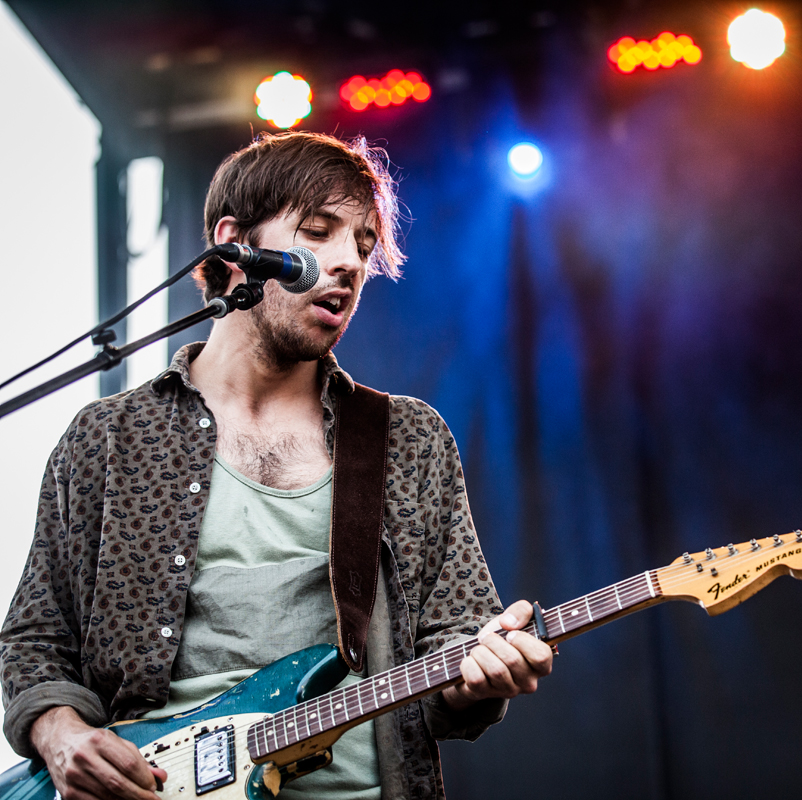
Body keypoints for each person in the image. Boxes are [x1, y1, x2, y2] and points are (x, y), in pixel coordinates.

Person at [0, 131, 552, 800]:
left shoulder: (408, 439)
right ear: (236, 246)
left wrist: (481, 674)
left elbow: (455, 648)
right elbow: (35, 638)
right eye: (320, 233)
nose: (349, 263)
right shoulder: (112, 437)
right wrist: (62, 738)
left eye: (364, 245)